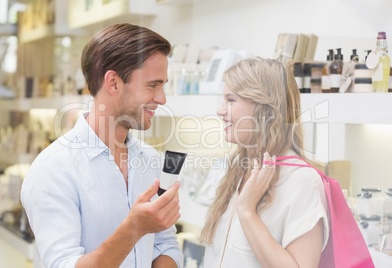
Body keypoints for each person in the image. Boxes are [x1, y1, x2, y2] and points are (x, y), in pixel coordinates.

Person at [21, 23, 182, 268]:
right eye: (153, 85)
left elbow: (165, 243)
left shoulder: (149, 159)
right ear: (113, 83)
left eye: (163, 85)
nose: (162, 98)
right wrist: (133, 229)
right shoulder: (53, 170)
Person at [200, 57, 329, 268]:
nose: (220, 111)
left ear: (265, 109)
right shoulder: (239, 169)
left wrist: (247, 212)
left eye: (231, 100)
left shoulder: (301, 180)